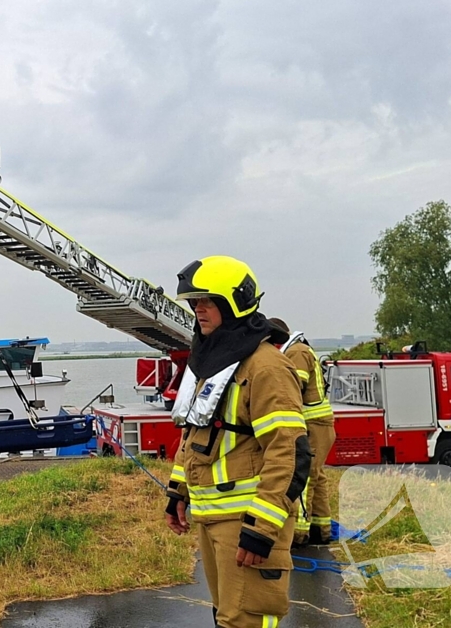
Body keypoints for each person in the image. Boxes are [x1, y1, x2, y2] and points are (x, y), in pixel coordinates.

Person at [165, 256, 311, 628]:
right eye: (194, 302)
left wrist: (262, 528)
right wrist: (177, 491)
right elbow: (197, 432)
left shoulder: (265, 367)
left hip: (247, 519)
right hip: (212, 515)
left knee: (245, 620)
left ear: (234, 303)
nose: (199, 309)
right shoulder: (215, 361)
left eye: (207, 301)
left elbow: (289, 452)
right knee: (225, 616)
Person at [268, 317, 335, 547]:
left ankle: (299, 534)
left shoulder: (295, 353)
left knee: (304, 478)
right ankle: (320, 528)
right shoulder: (299, 348)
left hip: (313, 424)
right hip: (319, 424)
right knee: (317, 477)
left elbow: (292, 388)